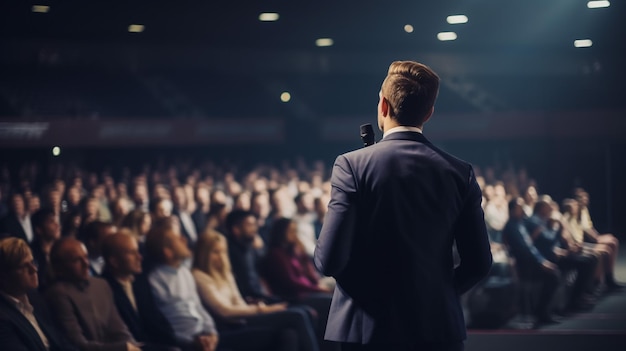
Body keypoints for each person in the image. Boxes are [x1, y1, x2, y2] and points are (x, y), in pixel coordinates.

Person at [314, 61, 493, 351]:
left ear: (383, 106)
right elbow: (479, 263)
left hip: (365, 329)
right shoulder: (460, 172)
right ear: (429, 113)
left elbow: (329, 261)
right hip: (437, 327)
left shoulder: (351, 165)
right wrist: (434, 294)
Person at [192, 229, 319, 351]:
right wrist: (261, 310)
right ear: (204, 253)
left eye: (223, 252)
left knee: (290, 331)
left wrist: (256, 309)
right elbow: (224, 311)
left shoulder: (224, 272)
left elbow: (237, 301)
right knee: (298, 315)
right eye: (215, 252)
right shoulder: (199, 276)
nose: (221, 257)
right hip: (229, 325)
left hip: (243, 317)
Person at [45, 237, 141, 351]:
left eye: (86, 257)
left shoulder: (101, 285)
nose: (86, 264)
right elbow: (77, 344)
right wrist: (123, 348)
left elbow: (119, 330)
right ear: (59, 267)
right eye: (77, 260)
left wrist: (133, 346)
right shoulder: (57, 294)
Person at [101, 232, 180, 350]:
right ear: (114, 261)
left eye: (137, 251)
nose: (139, 257)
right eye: (132, 253)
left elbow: (156, 319)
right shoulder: (104, 289)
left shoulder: (140, 281)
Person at [0, 237, 77, 351]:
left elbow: (60, 341)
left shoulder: (35, 298)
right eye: (24, 266)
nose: (34, 269)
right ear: (4, 275)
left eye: (32, 262)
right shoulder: (2, 317)